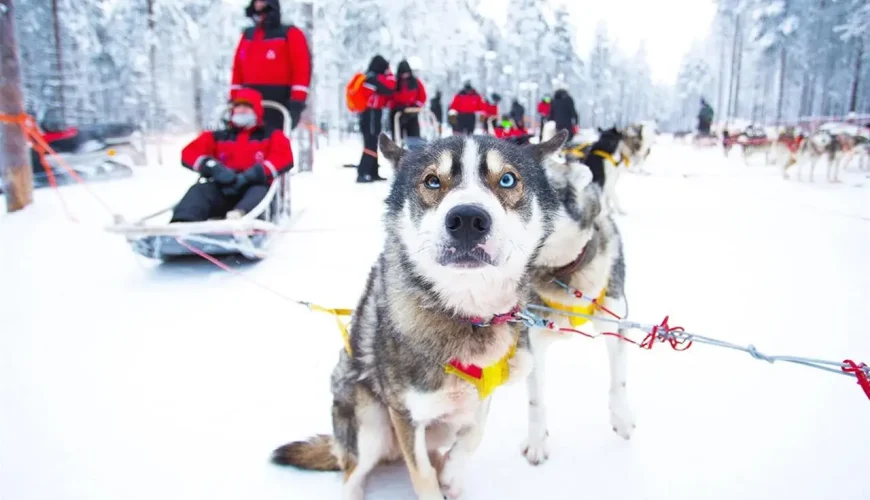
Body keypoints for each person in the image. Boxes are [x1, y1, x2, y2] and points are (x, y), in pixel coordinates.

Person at [171, 88, 293, 223]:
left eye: (247, 107)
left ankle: (239, 221)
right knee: (199, 191)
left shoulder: (271, 136)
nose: (241, 110)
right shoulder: (218, 136)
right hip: (223, 186)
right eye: (238, 106)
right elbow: (189, 153)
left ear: (256, 111)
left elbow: (284, 157)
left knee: (258, 194)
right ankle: (180, 225)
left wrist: (255, 173)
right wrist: (213, 167)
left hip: (256, 187)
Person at [231, 0, 311, 132]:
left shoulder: (290, 33)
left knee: (274, 144)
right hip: (247, 103)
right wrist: (234, 97)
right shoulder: (247, 35)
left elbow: (301, 68)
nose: (258, 5)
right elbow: (237, 68)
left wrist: (297, 100)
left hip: (278, 102)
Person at [355, 55, 396, 183]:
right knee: (370, 142)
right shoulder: (371, 78)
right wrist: (388, 75)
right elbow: (388, 89)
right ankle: (362, 172)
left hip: (372, 113)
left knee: (373, 141)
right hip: (370, 113)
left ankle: (373, 172)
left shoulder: (371, 76)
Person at [389, 59, 427, 141]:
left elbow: (422, 96)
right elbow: (389, 97)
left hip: (412, 112)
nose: (405, 76)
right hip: (397, 113)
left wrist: (416, 105)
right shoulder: (394, 82)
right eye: (403, 74)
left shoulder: (416, 82)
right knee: (397, 137)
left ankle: (414, 152)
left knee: (414, 138)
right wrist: (395, 106)